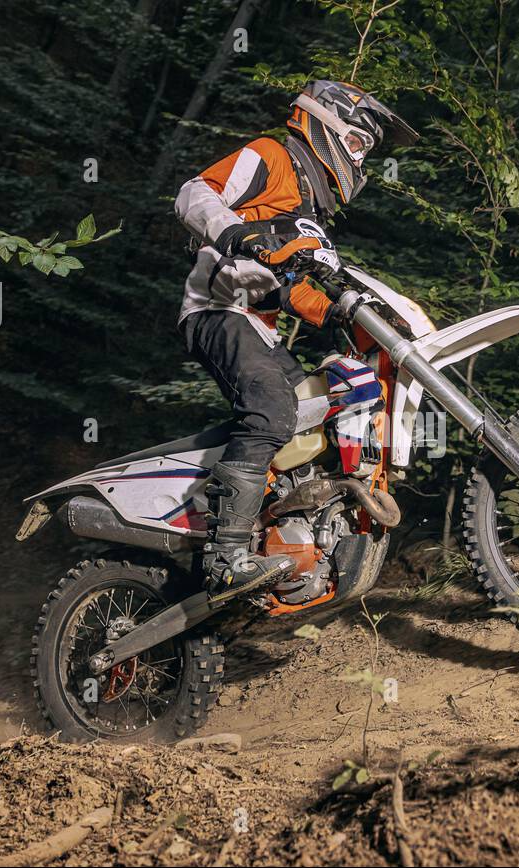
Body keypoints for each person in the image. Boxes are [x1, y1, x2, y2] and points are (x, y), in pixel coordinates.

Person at [173, 79, 417, 604]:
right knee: (270, 412)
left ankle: (279, 534)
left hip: (257, 326)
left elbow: (291, 289)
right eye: (358, 144)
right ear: (324, 122)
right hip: (217, 312)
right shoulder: (271, 156)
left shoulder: (312, 215)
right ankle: (226, 556)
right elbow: (195, 193)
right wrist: (236, 233)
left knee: (317, 411)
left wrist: (340, 311)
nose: (361, 159)